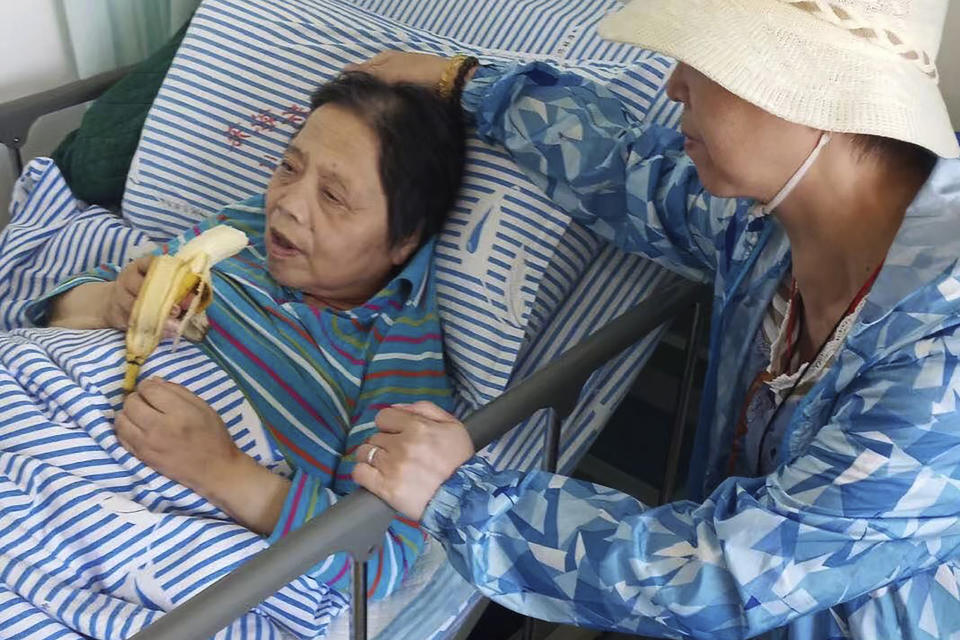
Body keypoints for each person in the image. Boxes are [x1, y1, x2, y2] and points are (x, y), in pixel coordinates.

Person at [348, 1, 960, 637]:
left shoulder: (941, 364)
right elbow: (623, 168)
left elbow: (719, 577)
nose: (673, 87)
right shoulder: (769, 225)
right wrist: (468, 84)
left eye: (705, 61)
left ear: (814, 99)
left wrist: (461, 497)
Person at [28, 71, 466, 601]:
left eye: (332, 195)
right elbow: (49, 312)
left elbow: (378, 555)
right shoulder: (240, 232)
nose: (285, 203)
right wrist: (111, 303)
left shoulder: (396, 351)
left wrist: (224, 471)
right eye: (288, 167)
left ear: (405, 240)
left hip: (101, 492)